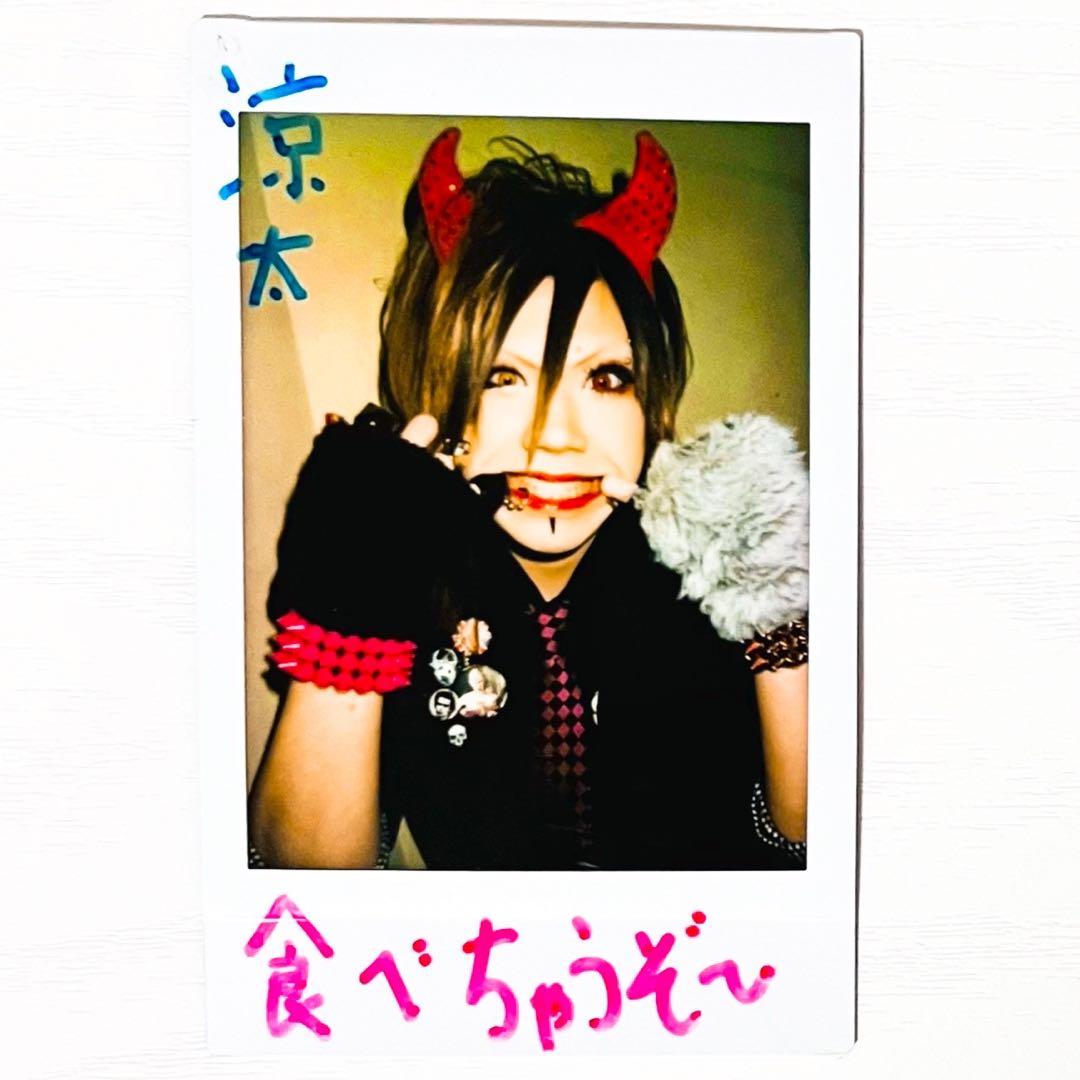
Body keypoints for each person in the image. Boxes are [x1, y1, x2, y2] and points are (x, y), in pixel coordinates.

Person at [248, 128, 808, 870]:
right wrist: (348, 607)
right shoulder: (410, 576)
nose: (556, 438)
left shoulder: (712, 561)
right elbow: (306, 881)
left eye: (606, 378)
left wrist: (776, 613)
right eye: (501, 378)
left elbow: (808, 837)